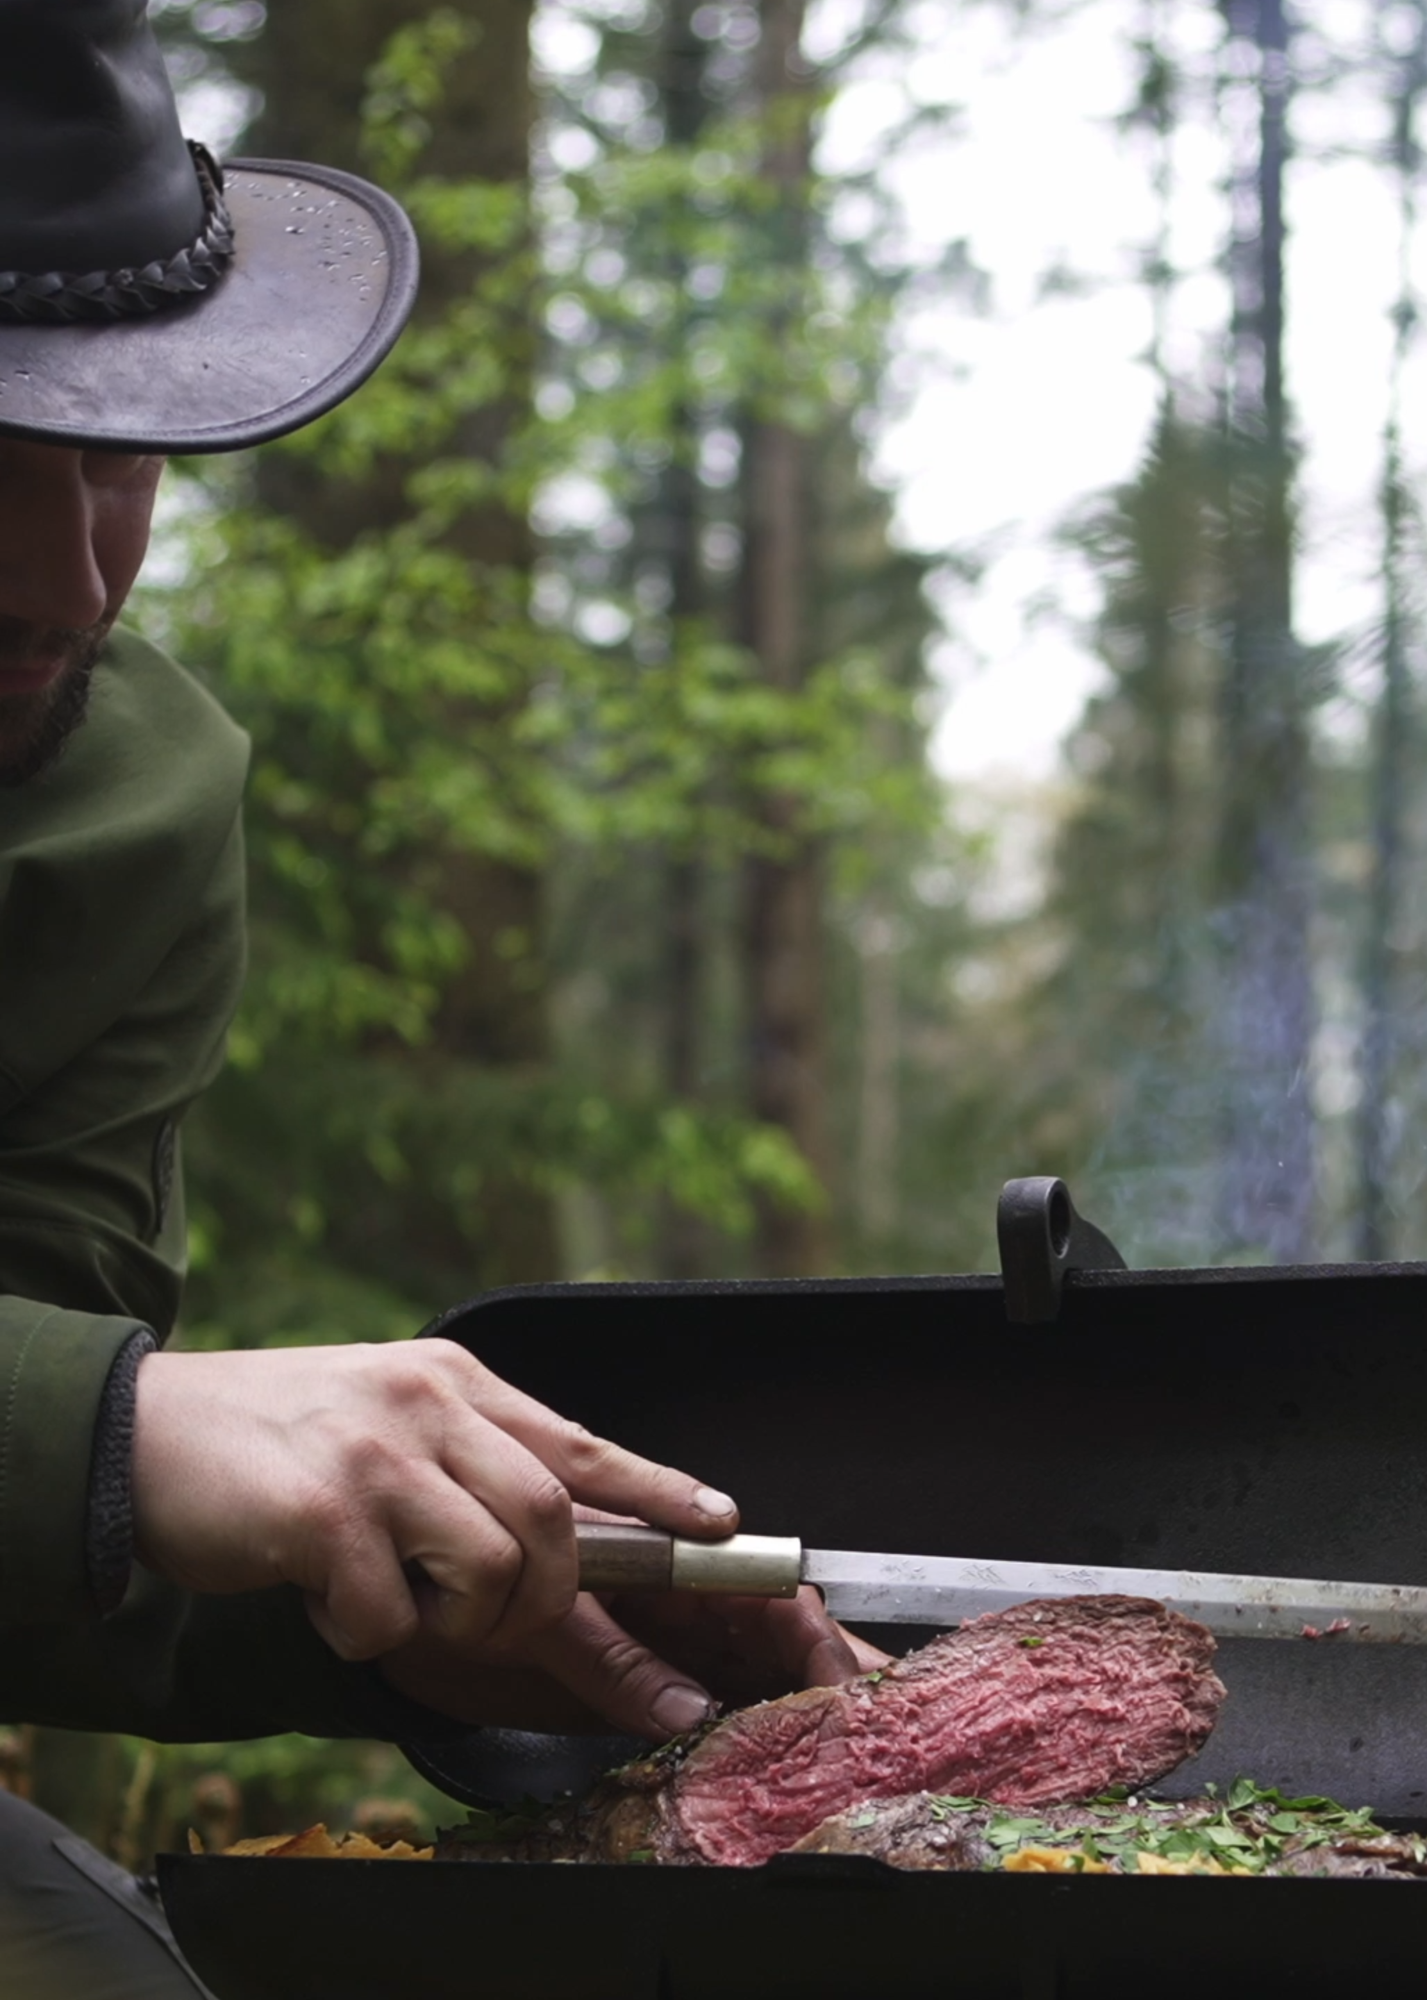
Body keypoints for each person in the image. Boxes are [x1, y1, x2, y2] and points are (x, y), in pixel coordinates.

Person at [0, 5, 875, 1992]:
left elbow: (32, 1518)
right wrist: (112, 1431)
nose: (65, 577)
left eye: (117, 449)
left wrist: (369, 1583)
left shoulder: (107, 791)